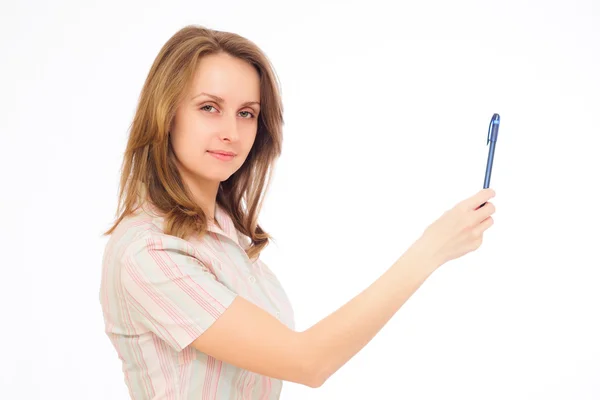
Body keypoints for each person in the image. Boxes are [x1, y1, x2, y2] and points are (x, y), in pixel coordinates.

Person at [99, 25, 497, 400]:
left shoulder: (221, 234)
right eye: (208, 107)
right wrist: (431, 250)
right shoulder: (150, 252)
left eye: (246, 113)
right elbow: (308, 361)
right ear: (166, 114)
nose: (231, 132)